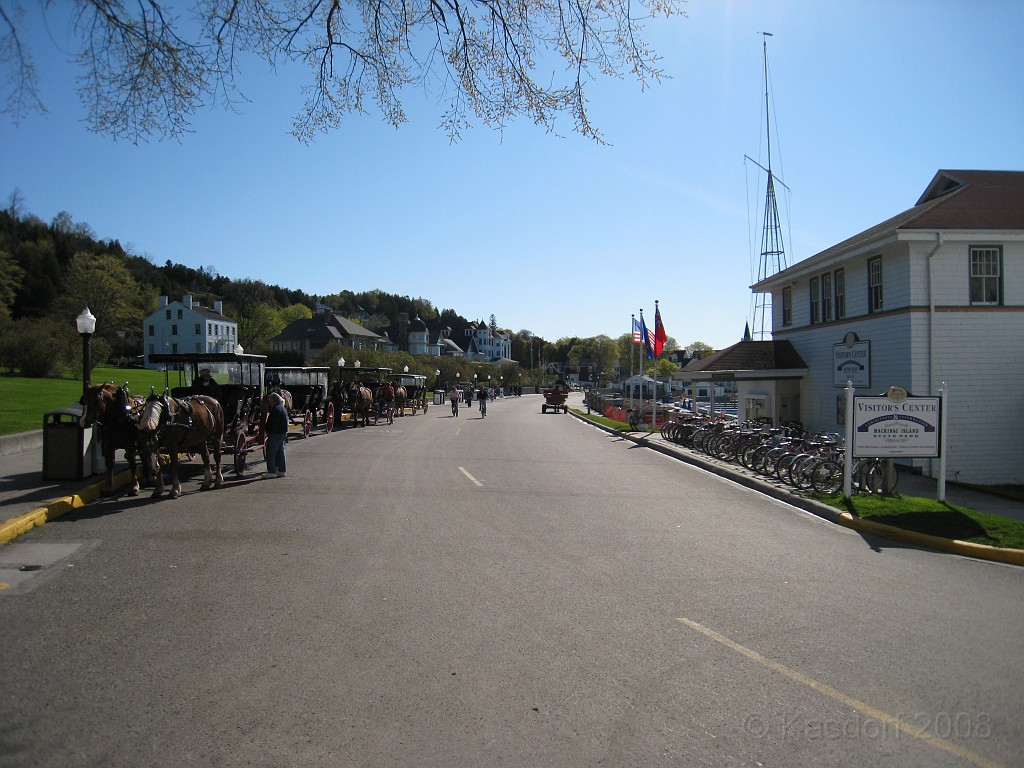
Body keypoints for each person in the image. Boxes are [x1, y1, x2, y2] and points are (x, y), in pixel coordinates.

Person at [264, 392, 288, 477]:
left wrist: (268, 430)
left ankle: (272, 471)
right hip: (282, 432)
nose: (269, 401)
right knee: (280, 452)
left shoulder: (275, 410)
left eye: (270, 399)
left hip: (275, 433)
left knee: (271, 452)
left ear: (274, 400)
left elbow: (273, 423)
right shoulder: (282, 408)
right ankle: (282, 470)